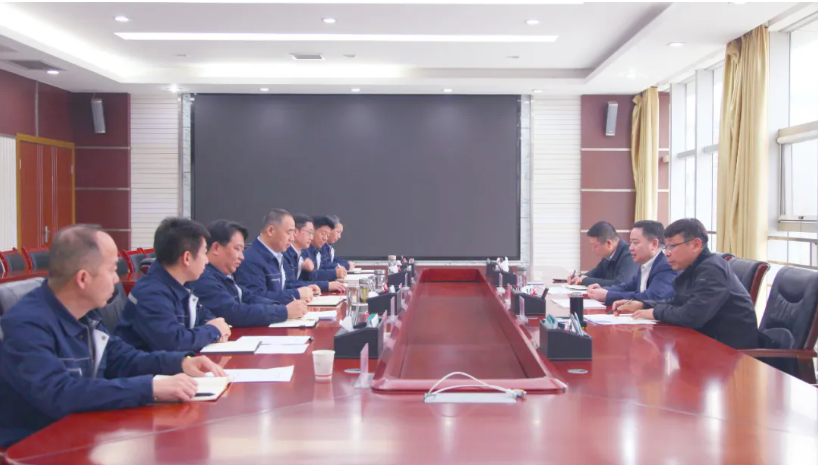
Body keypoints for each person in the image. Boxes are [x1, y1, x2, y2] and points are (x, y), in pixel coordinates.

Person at [0, 225, 226, 447]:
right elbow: (60, 394)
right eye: (111, 270)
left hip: (81, 434)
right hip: (32, 449)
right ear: (83, 279)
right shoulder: (26, 325)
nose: (117, 280)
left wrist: (181, 363)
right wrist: (150, 387)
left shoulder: (84, 315)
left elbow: (121, 358)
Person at [614, 218, 759, 350]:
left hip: (731, 354)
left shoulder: (712, 269)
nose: (667, 253)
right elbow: (679, 302)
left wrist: (654, 312)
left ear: (696, 245)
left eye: (672, 246)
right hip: (705, 345)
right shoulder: (692, 268)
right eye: (666, 248)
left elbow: (692, 316)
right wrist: (643, 305)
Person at [117, 218, 231, 352]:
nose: (207, 261)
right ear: (187, 258)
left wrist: (213, 325)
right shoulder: (151, 294)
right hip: (148, 364)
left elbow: (204, 315)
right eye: (204, 253)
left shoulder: (181, 284)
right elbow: (174, 342)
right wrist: (213, 330)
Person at [190, 220, 308, 327]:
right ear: (216, 248)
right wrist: (284, 311)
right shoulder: (203, 278)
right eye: (237, 249)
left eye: (242, 250)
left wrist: (278, 307)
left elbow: (249, 297)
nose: (242, 257)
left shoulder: (223, 275)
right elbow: (233, 312)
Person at [587, 220, 678, 307]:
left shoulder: (666, 265)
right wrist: (604, 290)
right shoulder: (645, 264)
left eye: (635, 242)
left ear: (654, 244)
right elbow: (628, 286)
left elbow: (652, 296)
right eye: (631, 243)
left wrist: (608, 295)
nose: (630, 248)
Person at [234, 208, 314, 304]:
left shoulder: (278, 255)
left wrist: (306, 288)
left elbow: (285, 286)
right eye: (289, 232)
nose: (292, 238)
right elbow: (255, 297)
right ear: (271, 231)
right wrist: (296, 294)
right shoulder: (250, 259)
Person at [284, 214, 347, 293]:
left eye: (327, 235)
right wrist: (326, 284)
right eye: (310, 233)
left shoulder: (301, 252)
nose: (311, 237)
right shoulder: (286, 254)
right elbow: (290, 285)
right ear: (296, 232)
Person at [569, 220, 637, 287]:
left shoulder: (629, 255)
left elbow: (621, 284)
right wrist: (578, 277)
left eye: (595, 246)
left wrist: (585, 280)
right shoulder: (608, 256)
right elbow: (595, 273)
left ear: (609, 243)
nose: (593, 249)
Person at [303, 216, 347, 280]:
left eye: (327, 235)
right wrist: (334, 273)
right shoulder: (304, 250)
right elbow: (309, 276)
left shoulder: (316, 249)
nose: (325, 238)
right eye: (323, 234)